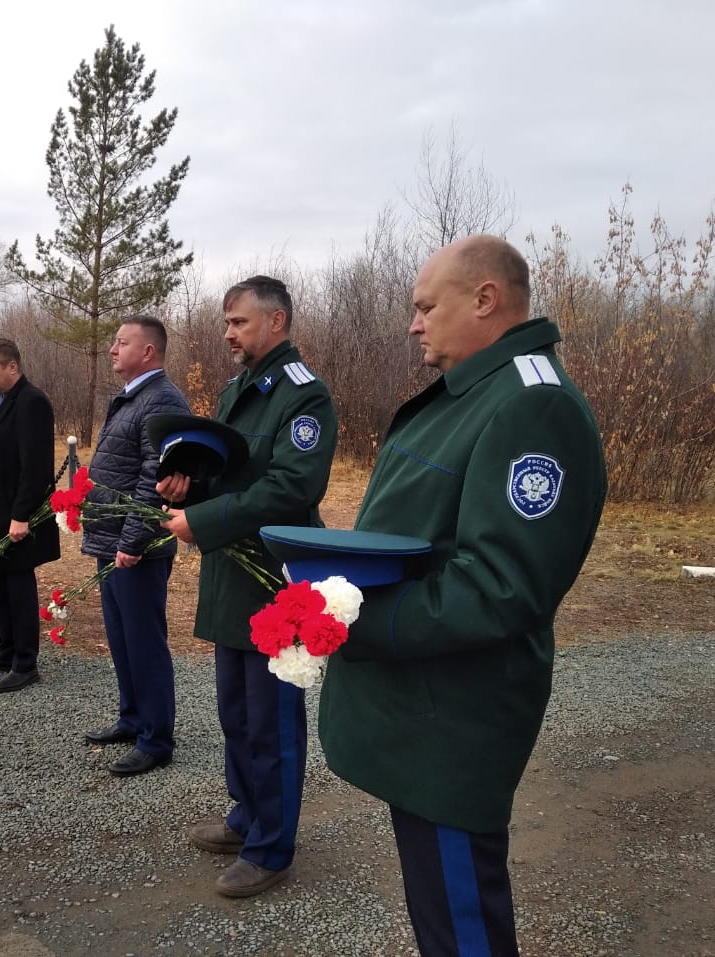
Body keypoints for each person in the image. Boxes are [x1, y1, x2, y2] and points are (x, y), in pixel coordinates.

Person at [319, 235, 607, 956]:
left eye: (425, 307)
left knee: (461, 926)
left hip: (453, 720)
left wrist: (357, 622)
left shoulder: (532, 406)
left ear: (485, 300)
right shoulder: (478, 391)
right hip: (422, 706)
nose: (414, 324)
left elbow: (498, 586)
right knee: (440, 915)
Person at [159, 276, 338, 898]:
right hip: (233, 575)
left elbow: (291, 489)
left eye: (238, 322)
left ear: (276, 322)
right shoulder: (240, 388)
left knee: (272, 721)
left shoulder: (303, 398)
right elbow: (230, 474)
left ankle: (272, 847)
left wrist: (202, 520)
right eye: (227, 322)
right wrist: (189, 490)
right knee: (236, 713)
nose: (228, 332)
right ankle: (247, 816)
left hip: (275, 581)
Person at [81, 315, 190, 776]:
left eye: (121, 343)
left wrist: (133, 541)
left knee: (145, 642)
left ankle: (156, 739)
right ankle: (132, 717)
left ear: (148, 352)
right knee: (122, 638)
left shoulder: (163, 400)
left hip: (136, 547)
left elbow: (153, 479)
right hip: (113, 542)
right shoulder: (132, 397)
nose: (112, 349)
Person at [0, 338, 60, 693]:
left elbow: (34, 467)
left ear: (12, 367)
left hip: (15, 516)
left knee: (17, 585)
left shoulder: (32, 403)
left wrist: (21, 515)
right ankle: (5, 649)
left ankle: (25, 662)